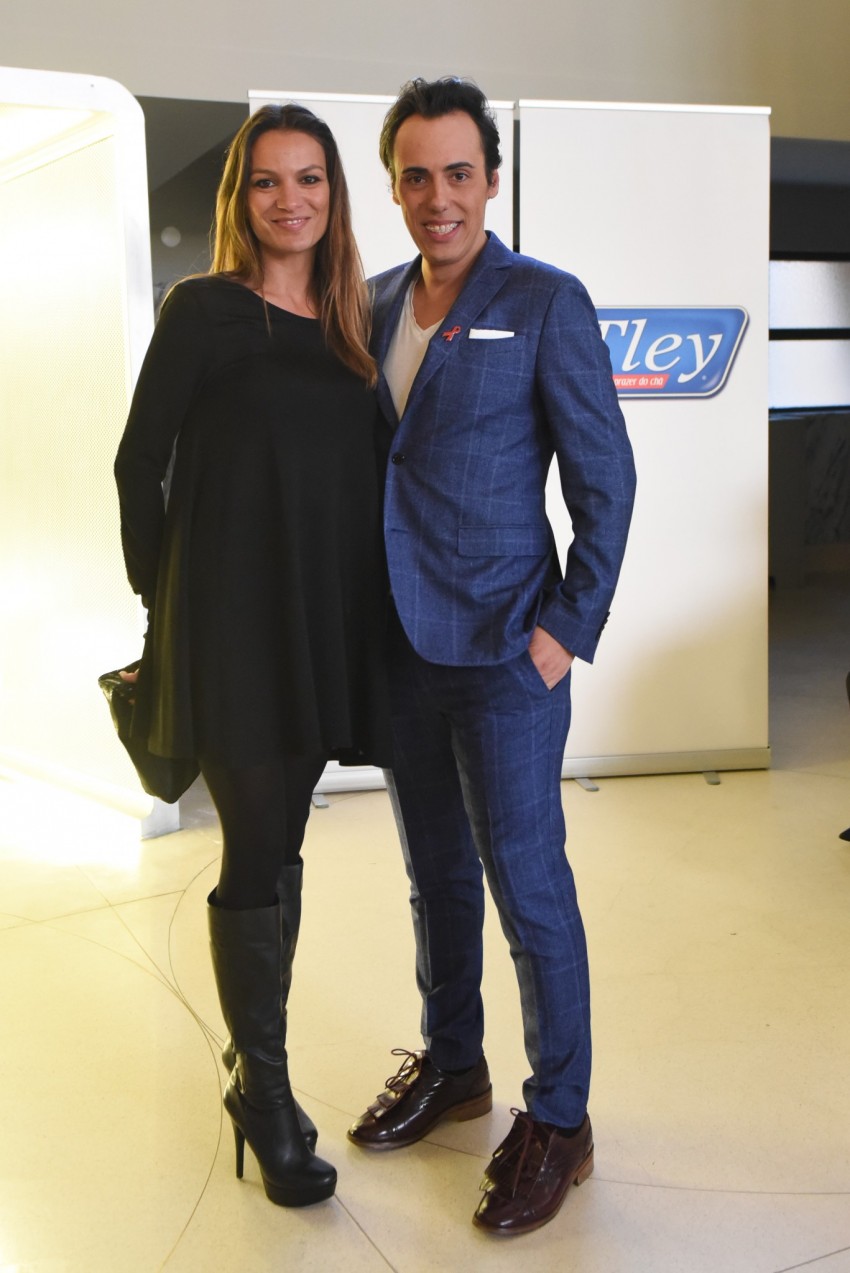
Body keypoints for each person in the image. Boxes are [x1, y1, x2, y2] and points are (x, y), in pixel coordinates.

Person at [346, 78, 637, 1236]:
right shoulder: (371, 302)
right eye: (416, 176)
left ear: (492, 180)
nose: (439, 197)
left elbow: (605, 479)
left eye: (458, 173)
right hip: (402, 650)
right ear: (395, 186)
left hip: (507, 652)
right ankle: (455, 1064)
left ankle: (559, 1116)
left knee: (528, 884)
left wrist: (564, 631)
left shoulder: (544, 300)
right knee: (436, 874)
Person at [114, 103, 393, 1209]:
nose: (291, 199)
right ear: (242, 197)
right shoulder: (203, 309)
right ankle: (266, 1096)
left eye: (310, 178)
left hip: (319, 624)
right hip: (227, 626)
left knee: (283, 849)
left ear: (334, 194)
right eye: (268, 180)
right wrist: (165, 606)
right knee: (256, 842)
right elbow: (138, 464)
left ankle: (252, 1064)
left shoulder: (353, 324)